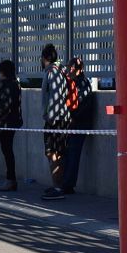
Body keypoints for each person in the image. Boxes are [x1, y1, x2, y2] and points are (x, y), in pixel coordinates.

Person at [39, 44, 71, 201]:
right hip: (62, 118)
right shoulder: (61, 71)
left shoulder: (51, 72)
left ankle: (58, 187)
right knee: (57, 153)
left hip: (55, 119)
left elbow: (54, 97)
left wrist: (49, 117)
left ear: (44, 58)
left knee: (52, 152)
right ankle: (58, 185)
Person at [61, 56, 93, 195]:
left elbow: (80, 105)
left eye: (71, 66)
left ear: (79, 69)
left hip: (79, 124)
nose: (69, 69)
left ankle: (68, 185)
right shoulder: (73, 82)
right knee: (69, 153)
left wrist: (71, 119)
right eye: (68, 66)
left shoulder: (82, 84)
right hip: (74, 123)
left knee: (73, 153)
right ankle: (66, 182)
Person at [0, 59, 23, 192]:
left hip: (5, 122)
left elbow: (2, 104)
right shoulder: (15, 84)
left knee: (7, 150)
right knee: (7, 149)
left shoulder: (5, 85)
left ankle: (11, 180)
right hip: (13, 121)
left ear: (2, 71)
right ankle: (11, 179)